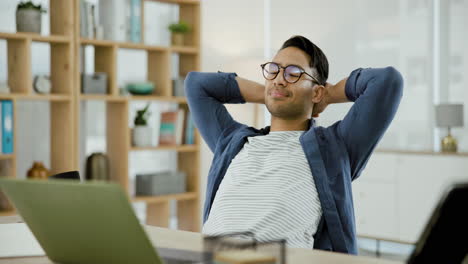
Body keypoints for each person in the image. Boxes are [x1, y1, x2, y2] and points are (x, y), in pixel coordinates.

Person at [185, 35, 403, 254]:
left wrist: (326, 95)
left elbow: (386, 81)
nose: (280, 78)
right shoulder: (233, 141)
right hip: (209, 256)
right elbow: (196, 84)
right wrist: (271, 92)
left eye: (294, 73)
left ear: (317, 91)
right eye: (274, 70)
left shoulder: (335, 148)